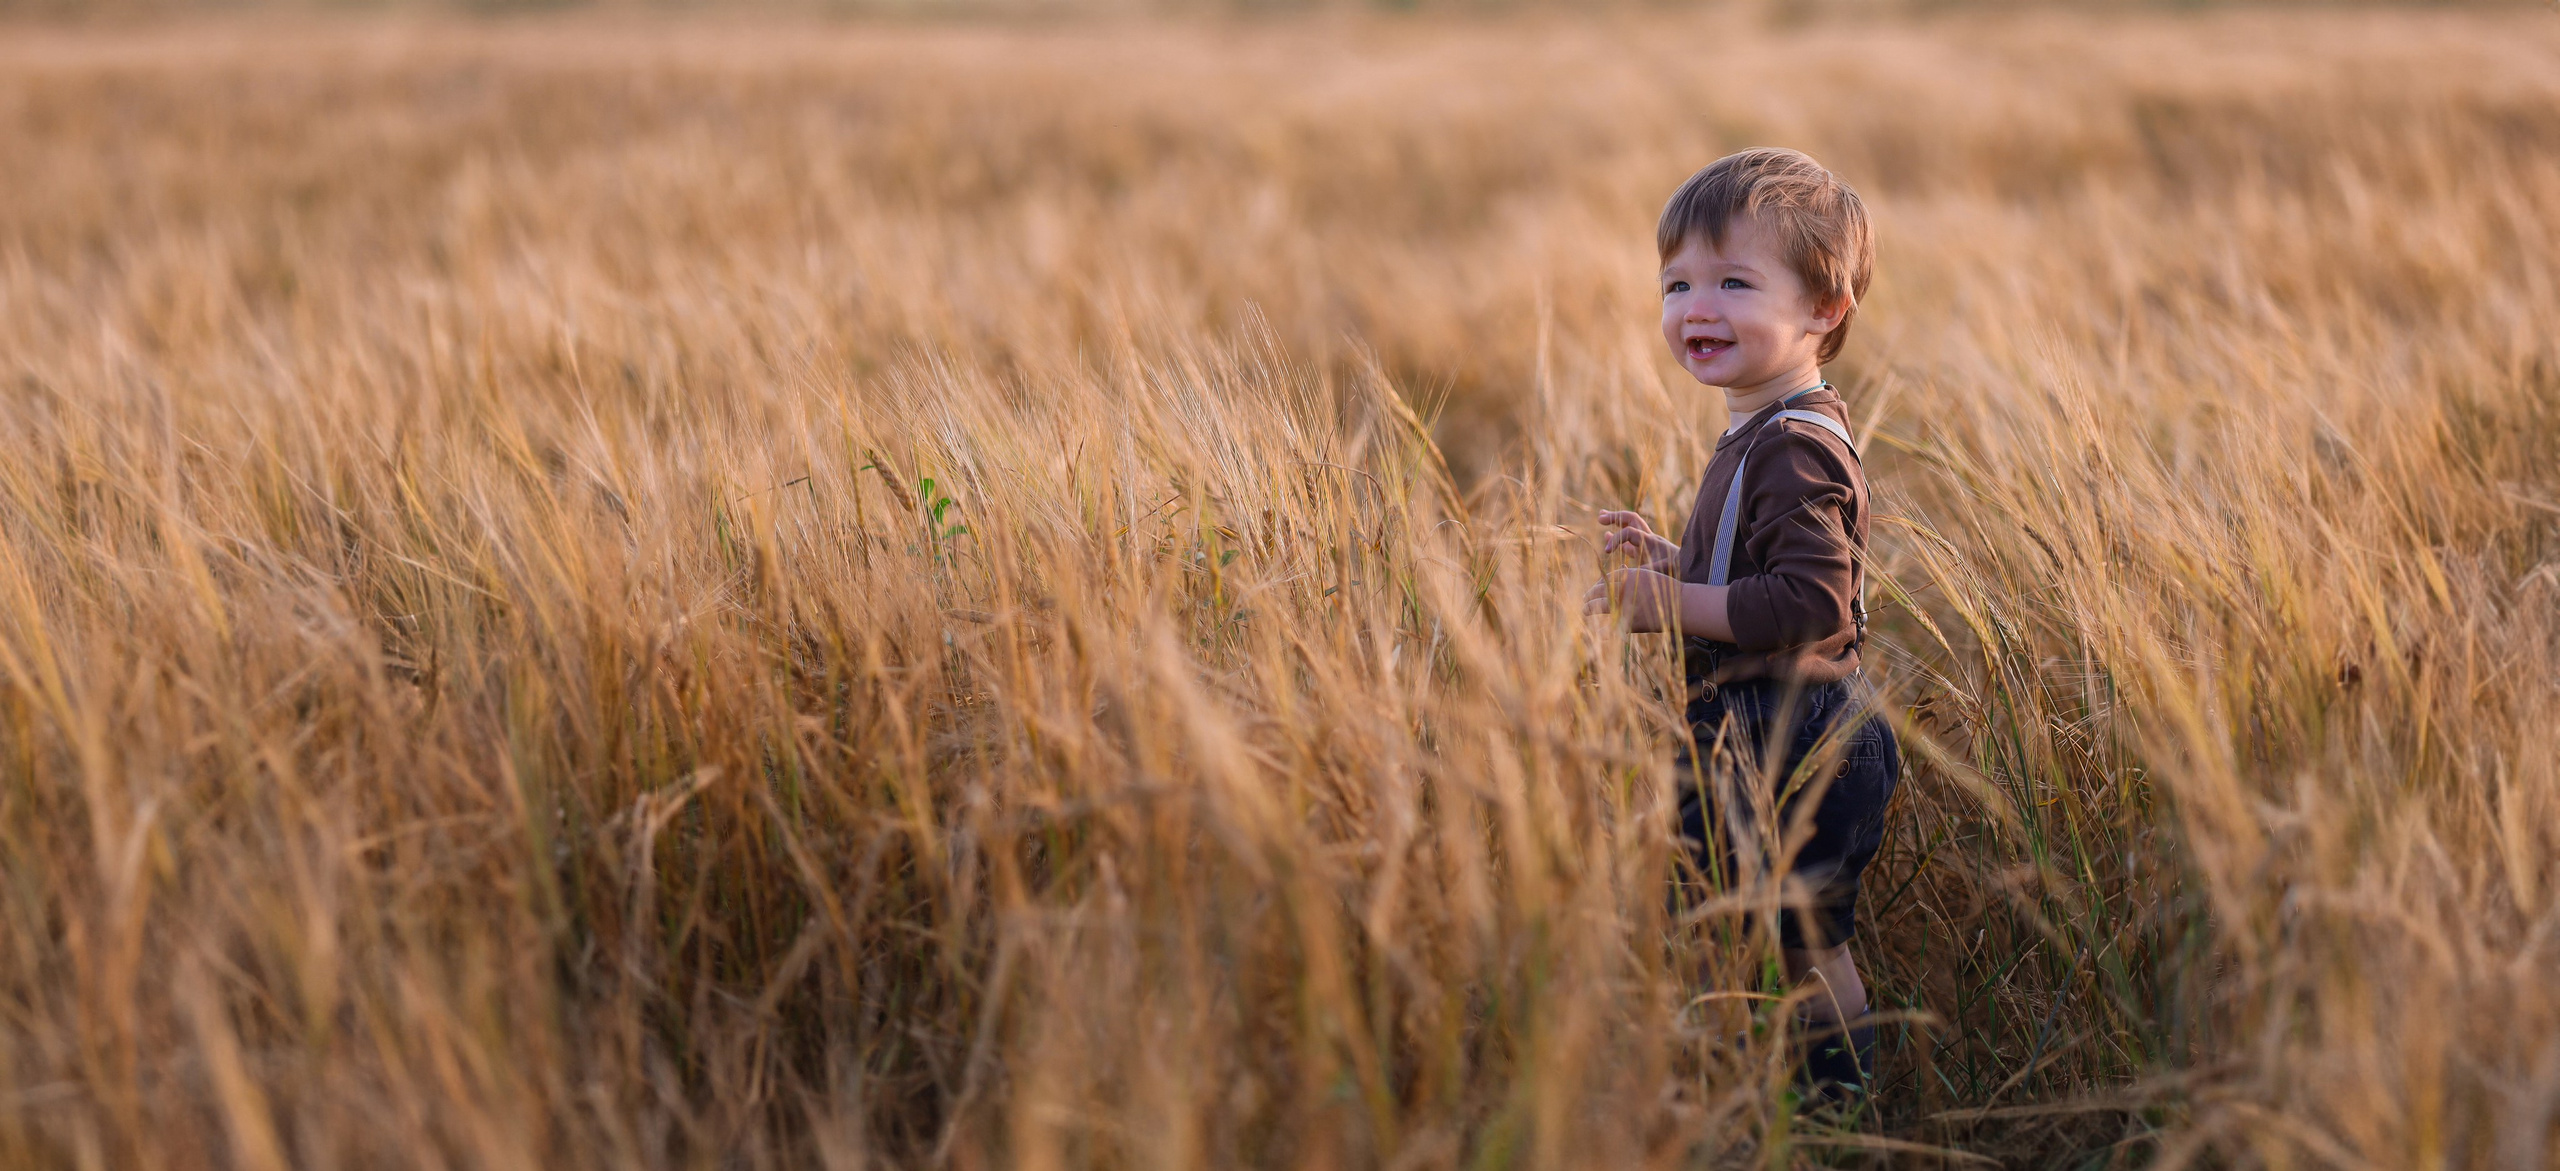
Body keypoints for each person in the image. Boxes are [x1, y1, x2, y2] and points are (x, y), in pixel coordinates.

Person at [1581, 147, 1901, 1101]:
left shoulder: (1797, 445)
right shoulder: (1763, 424)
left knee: (1803, 944)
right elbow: (1763, 579)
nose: (1695, 306)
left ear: (1823, 308)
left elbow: (1811, 605)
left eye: (1732, 280)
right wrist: (1680, 565)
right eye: (1676, 282)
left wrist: (1670, 606)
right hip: (1757, 722)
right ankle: (1767, 1091)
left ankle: (1837, 1110)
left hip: (1797, 732)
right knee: (1746, 925)